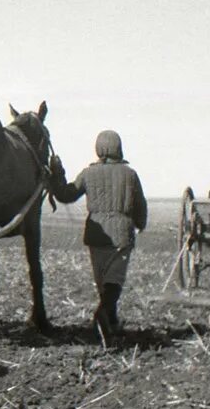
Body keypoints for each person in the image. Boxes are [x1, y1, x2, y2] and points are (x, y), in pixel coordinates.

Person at [47, 130, 148, 337]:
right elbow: (140, 205)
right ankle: (103, 315)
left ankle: (110, 320)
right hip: (121, 233)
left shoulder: (88, 173)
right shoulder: (130, 174)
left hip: (96, 234)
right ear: (119, 148)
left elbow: (66, 195)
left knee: (103, 280)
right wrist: (140, 223)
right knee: (115, 280)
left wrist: (57, 174)